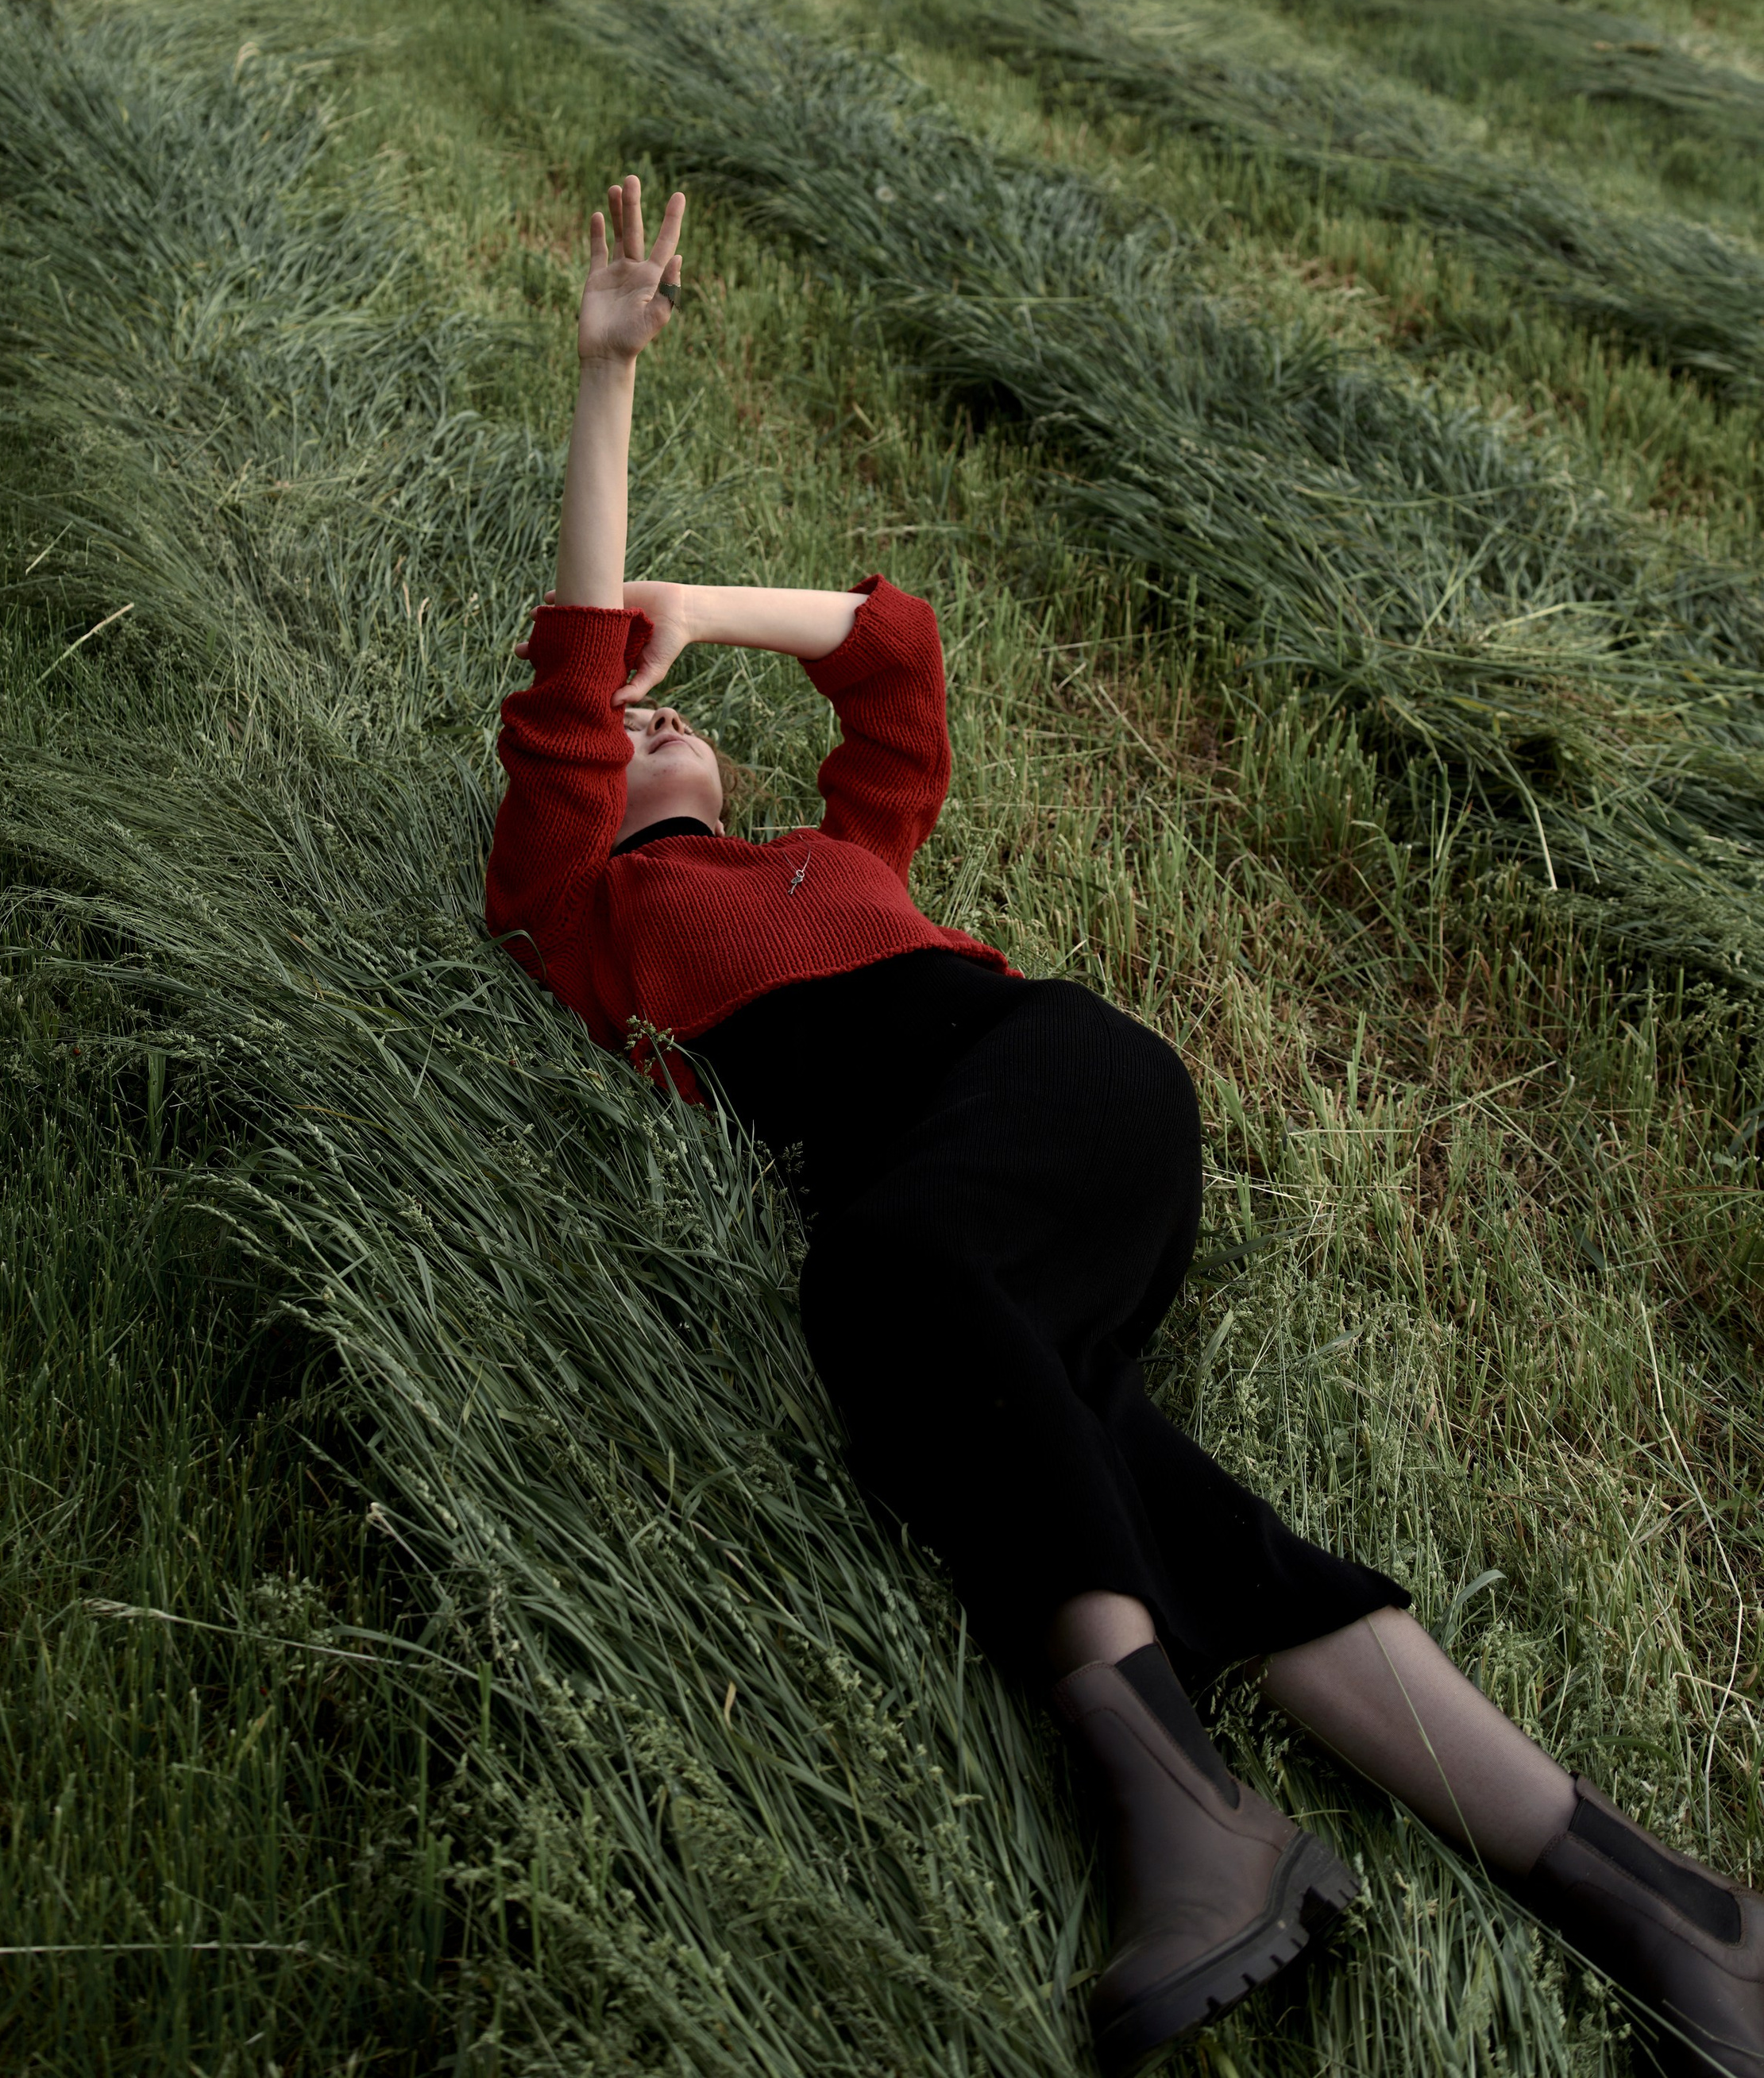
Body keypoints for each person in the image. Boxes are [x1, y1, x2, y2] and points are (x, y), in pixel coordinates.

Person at [486, 174, 1764, 2078]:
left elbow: (892, 658)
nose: (659, 724)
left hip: (1045, 1087)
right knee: (1166, 1507)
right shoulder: (576, 921)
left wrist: (706, 607)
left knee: (890, 1270)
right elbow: (565, 707)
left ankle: (1185, 1817)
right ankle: (1669, 1919)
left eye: (680, 713)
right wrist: (599, 407)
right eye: (630, 736)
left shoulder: (850, 850)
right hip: (964, 1194)